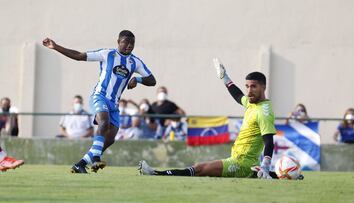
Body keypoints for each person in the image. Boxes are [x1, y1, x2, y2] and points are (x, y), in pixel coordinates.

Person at [139, 59, 280, 179]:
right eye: (247, 86)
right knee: (202, 168)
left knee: (200, 168)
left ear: (263, 87)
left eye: (253, 86)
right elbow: (238, 96)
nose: (249, 91)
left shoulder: (263, 112)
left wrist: (266, 167)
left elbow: (269, 142)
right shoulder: (252, 102)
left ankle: (156, 173)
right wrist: (225, 77)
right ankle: (283, 175)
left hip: (242, 164)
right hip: (240, 161)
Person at [43, 30, 156, 173]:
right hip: (100, 96)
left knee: (110, 138)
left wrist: (137, 79)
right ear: (118, 42)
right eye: (125, 42)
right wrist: (56, 47)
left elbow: (152, 80)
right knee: (104, 122)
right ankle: (96, 158)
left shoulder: (135, 62)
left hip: (114, 104)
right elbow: (79, 56)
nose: (129, 45)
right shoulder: (107, 54)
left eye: (132, 43)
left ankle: (81, 164)